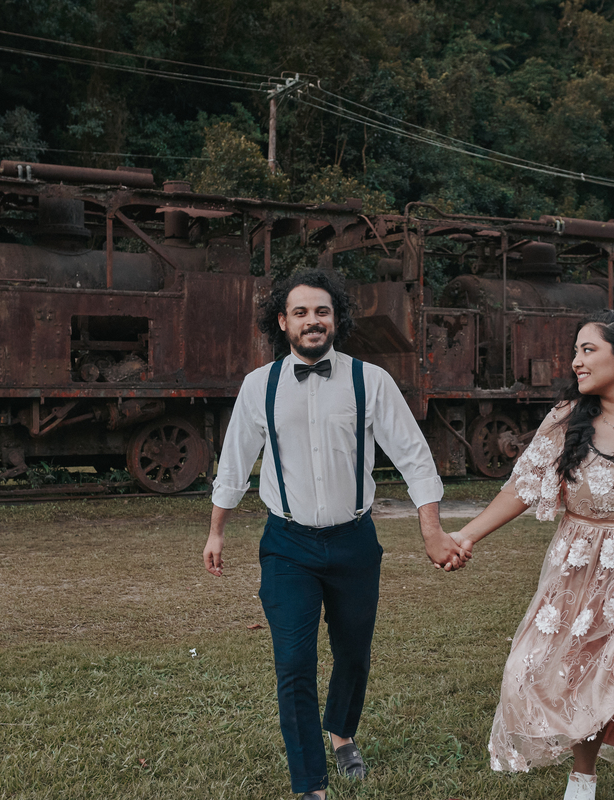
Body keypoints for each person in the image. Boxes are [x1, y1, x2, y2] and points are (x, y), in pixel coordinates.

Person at [204, 268, 469, 800]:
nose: (312, 320)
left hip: (354, 541)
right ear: (283, 322)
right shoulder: (260, 385)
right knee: (294, 663)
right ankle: (311, 786)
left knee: (352, 652)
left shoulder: (370, 381)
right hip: (287, 546)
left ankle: (343, 733)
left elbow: (415, 458)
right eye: (300, 312)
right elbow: (234, 462)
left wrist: (431, 530)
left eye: (322, 311)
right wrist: (217, 532)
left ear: (336, 319)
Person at [449, 309, 614, 800]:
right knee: (582, 677)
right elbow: (522, 487)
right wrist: (468, 535)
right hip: (583, 568)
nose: (575, 361)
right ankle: (583, 777)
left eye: (587, 350)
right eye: (575, 351)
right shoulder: (566, 419)